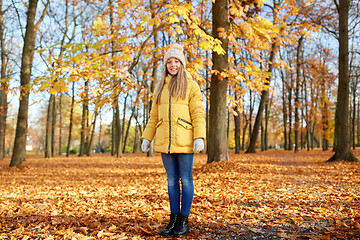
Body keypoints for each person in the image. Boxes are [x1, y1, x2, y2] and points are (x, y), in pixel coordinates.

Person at [141, 43, 206, 237]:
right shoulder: (160, 87)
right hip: (165, 141)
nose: (173, 65)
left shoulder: (191, 85)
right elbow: (154, 116)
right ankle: (174, 219)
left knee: (185, 180)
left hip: (185, 140)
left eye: (176, 61)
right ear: (165, 65)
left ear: (182, 64)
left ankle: (183, 220)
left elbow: (197, 112)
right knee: (171, 182)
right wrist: (147, 137)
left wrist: (199, 136)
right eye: (169, 62)